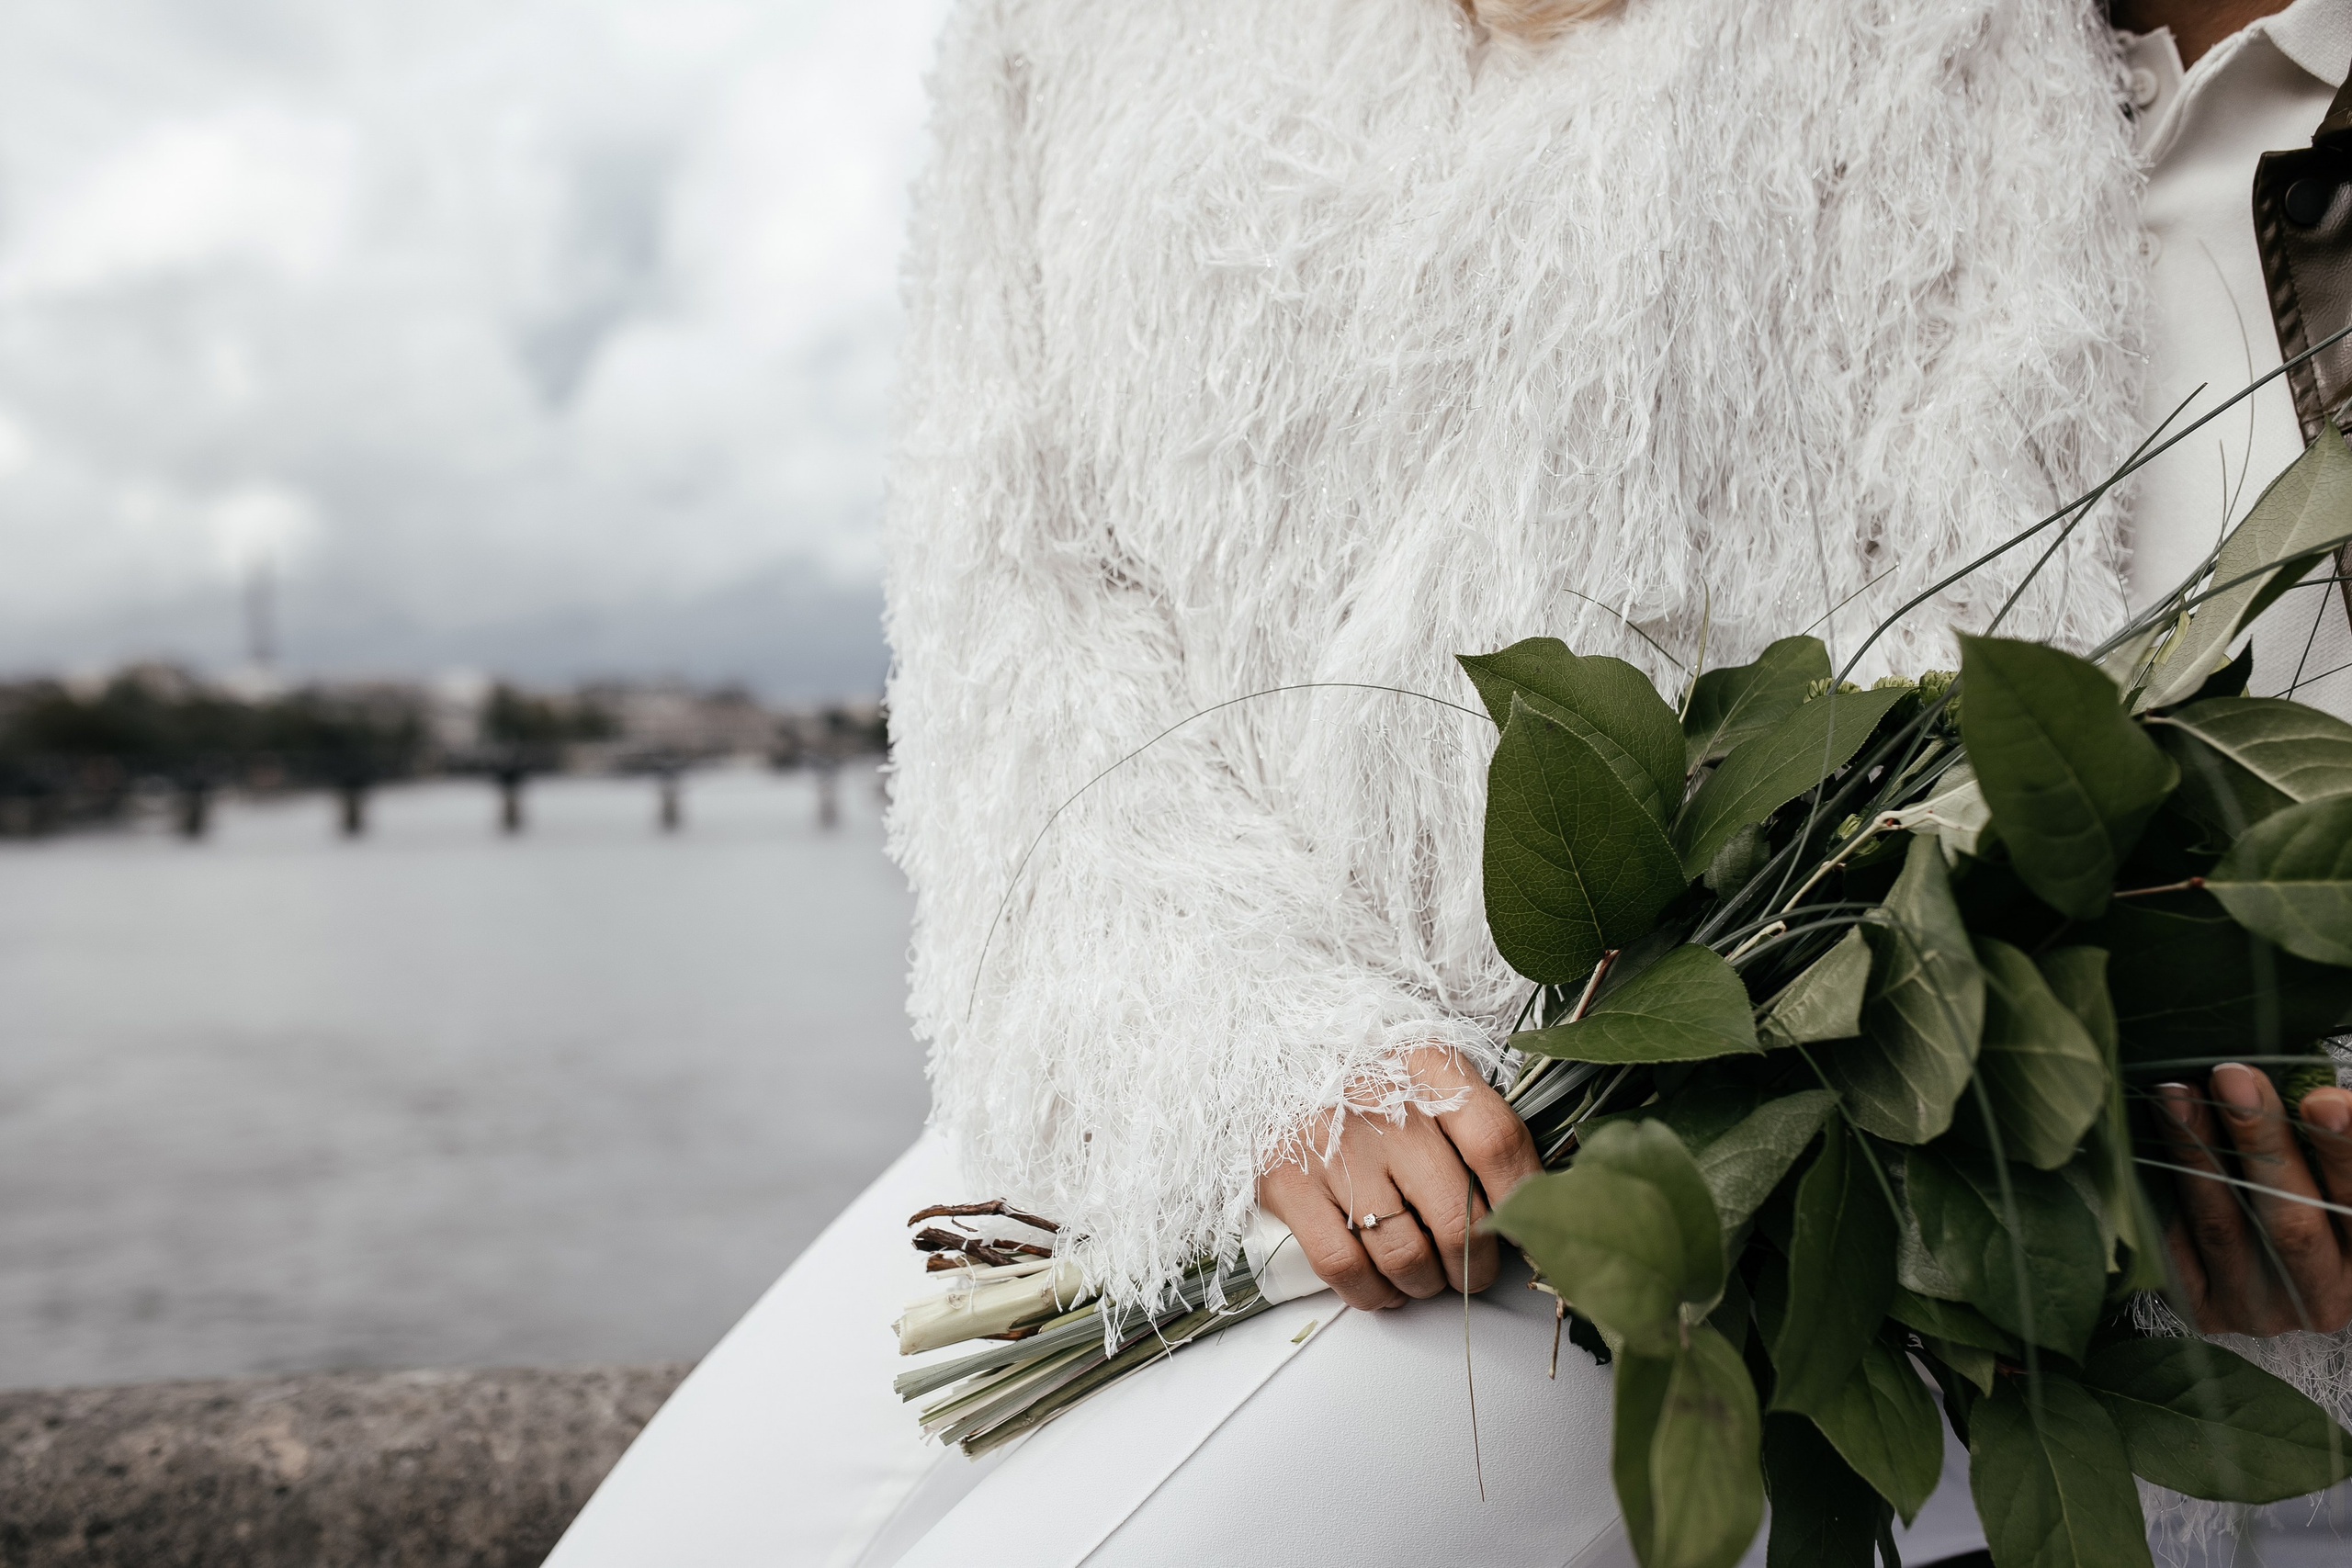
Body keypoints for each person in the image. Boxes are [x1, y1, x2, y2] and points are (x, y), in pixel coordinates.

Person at [546, 3, 2352, 1565]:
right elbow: (1005, 595)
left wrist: (1659, 1067)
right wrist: (1235, 1046)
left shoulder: (1923, 40)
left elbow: (1941, 634)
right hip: (1172, 1075)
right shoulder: (1065, 42)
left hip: (1622, 1168)